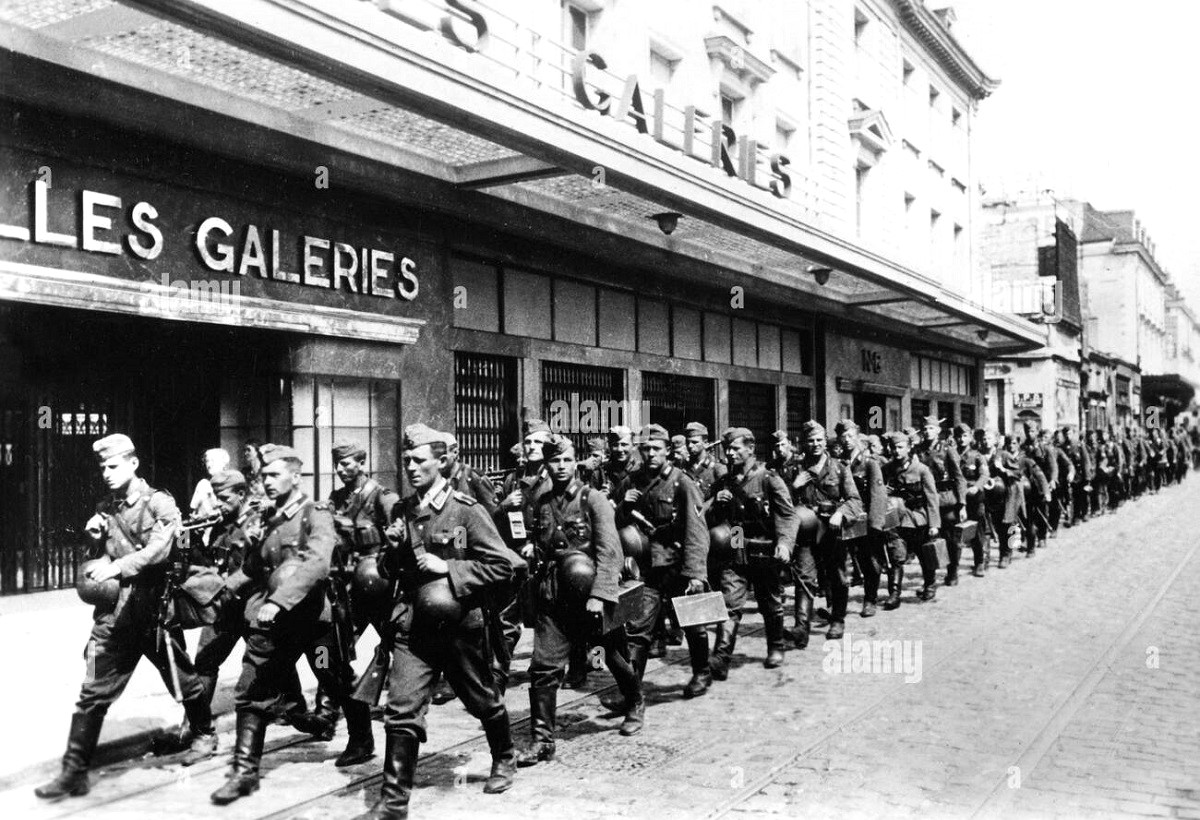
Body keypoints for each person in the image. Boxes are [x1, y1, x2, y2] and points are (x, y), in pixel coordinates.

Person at [37, 434, 215, 801]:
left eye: (113, 465)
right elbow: (100, 552)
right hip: (113, 616)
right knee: (92, 690)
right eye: (102, 466)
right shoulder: (106, 506)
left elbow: (159, 549)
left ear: (133, 464)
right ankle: (73, 771)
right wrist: (92, 539)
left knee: (182, 678)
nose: (106, 472)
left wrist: (116, 566)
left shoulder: (160, 503)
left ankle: (203, 733)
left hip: (153, 611)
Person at [360, 424, 518, 819]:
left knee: (480, 698)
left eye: (419, 460)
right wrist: (393, 551)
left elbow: (505, 565)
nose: (410, 467)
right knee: (402, 708)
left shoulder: (466, 509)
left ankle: (505, 756)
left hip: (460, 624)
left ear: (442, 462)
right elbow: (392, 570)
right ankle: (393, 803)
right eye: (407, 460)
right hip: (414, 626)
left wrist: (448, 566)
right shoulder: (402, 510)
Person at [210, 444, 374, 805]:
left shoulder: (315, 513)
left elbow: (316, 564)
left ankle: (361, 738)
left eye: (273, 475)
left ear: (295, 476)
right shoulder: (270, 518)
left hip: (312, 619)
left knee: (334, 676)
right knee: (252, 690)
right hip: (272, 623)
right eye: (263, 475)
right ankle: (244, 772)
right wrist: (223, 590)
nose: (266, 482)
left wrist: (278, 601)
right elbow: (255, 567)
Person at [516, 435, 644, 767]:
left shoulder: (594, 499)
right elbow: (539, 542)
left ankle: (634, 701)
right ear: (546, 464)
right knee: (543, 667)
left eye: (565, 460)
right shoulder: (542, 501)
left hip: (589, 595)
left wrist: (600, 596)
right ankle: (542, 740)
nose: (559, 467)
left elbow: (609, 551)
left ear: (575, 462)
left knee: (613, 655)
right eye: (553, 461)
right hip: (554, 595)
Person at [307, 440, 401, 736]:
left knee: (400, 645)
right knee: (333, 649)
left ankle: (405, 704)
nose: (341, 469)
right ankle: (325, 712)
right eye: (337, 464)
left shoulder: (382, 497)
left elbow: (402, 539)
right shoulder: (336, 498)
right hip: (350, 588)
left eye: (347, 463)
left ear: (362, 462)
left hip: (380, 587)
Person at [616, 424, 710, 697]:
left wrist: (696, 573)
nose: (650, 454)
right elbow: (615, 523)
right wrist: (624, 505)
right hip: (645, 568)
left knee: (693, 622)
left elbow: (696, 529)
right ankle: (631, 694)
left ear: (667, 451)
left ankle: (702, 672)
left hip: (677, 564)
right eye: (645, 449)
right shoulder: (631, 481)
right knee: (637, 630)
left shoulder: (682, 482)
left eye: (656, 449)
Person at [707, 426, 797, 672]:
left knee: (769, 601)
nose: (730, 453)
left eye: (735, 449)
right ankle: (721, 657)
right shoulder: (724, 481)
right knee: (730, 603)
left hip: (763, 545)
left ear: (750, 449)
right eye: (727, 449)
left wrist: (785, 544)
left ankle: (776, 646)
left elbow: (788, 516)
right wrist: (716, 504)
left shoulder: (768, 478)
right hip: (735, 542)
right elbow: (708, 517)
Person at [494, 419, 553, 694]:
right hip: (517, 559)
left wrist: (537, 544)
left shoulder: (554, 478)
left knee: (547, 617)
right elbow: (496, 523)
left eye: (538, 442)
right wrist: (503, 507)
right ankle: (497, 678)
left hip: (546, 558)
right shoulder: (512, 480)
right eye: (528, 442)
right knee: (506, 619)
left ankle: (560, 668)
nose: (531, 447)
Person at [792, 421, 862, 641]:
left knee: (837, 575)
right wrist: (794, 487)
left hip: (832, 530)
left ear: (825, 442)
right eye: (810, 440)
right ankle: (801, 627)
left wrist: (841, 513)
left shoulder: (839, 467)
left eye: (819, 440)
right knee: (804, 576)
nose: (815, 445)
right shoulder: (795, 469)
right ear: (804, 443)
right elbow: (782, 503)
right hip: (806, 529)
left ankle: (838, 620)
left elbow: (854, 500)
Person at [879, 431, 940, 607]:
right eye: (893, 447)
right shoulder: (887, 469)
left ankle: (930, 584)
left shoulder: (921, 469)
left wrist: (934, 524)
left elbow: (932, 498)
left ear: (909, 448)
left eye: (900, 447)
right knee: (895, 555)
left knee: (923, 554)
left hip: (918, 518)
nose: (896, 451)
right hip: (895, 519)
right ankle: (894, 594)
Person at [836, 420, 887, 617]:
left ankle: (870, 599)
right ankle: (837, 604)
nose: (847, 440)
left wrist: (876, 524)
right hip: (845, 517)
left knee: (869, 561)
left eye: (850, 436)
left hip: (865, 518)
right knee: (840, 561)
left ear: (857, 436)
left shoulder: (869, 461)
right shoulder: (838, 461)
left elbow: (878, 493)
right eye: (843, 437)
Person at [913, 416, 964, 591]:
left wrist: (962, 504)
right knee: (927, 539)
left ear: (938, 431)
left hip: (945, 498)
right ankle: (931, 578)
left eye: (931, 429)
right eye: (925, 429)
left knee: (950, 538)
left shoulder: (947, 450)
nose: (927, 432)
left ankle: (952, 570)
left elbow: (958, 477)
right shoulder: (917, 450)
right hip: (925, 500)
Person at [953, 424, 991, 577]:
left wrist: (976, 486)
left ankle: (979, 562)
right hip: (956, 498)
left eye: (964, 436)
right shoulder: (952, 455)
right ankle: (953, 567)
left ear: (970, 437)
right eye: (959, 436)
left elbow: (984, 475)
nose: (961, 439)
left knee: (977, 531)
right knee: (955, 533)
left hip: (974, 498)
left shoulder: (976, 456)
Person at [190, 448, 231, 521]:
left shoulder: (231, 483)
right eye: (207, 461)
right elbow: (194, 511)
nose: (209, 464)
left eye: (212, 460)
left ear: (223, 463)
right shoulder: (203, 484)